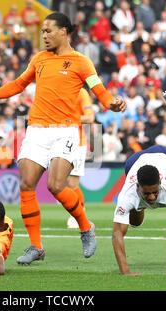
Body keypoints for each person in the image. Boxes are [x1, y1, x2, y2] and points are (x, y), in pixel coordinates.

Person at [0, 12, 126, 265]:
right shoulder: (39, 59)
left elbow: (99, 90)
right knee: (26, 185)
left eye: (49, 31)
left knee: (56, 185)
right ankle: (36, 246)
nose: (44, 35)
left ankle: (86, 228)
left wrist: (113, 104)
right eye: (43, 32)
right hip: (37, 130)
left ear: (64, 31)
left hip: (65, 131)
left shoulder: (81, 61)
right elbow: (18, 84)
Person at [112, 84, 166, 275]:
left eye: (155, 192)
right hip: (134, 163)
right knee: (134, 223)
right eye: (147, 193)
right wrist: (126, 273)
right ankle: (138, 206)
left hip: (165, 156)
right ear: (138, 186)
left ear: (161, 183)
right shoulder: (126, 192)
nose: (152, 197)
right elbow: (117, 233)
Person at [66, 88, 95, 229]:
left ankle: (79, 214)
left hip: (77, 142)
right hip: (60, 141)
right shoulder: (57, 90)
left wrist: (68, 119)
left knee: (72, 182)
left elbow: (90, 118)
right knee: (60, 182)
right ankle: (77, 212)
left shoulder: (81, 92)